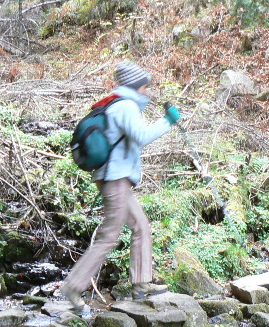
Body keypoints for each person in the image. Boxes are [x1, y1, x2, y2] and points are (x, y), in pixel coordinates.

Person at [60, 61, 181, 311]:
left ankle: (141, 284)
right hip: (114, 178)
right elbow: (142, 136)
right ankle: (73, 286)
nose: (147, 91)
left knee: (140, 226)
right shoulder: (125, 105)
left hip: (115, 178)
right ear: (135, 86)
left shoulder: (118, 103)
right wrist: (168, 121)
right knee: (109, 236)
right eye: (145, 86)